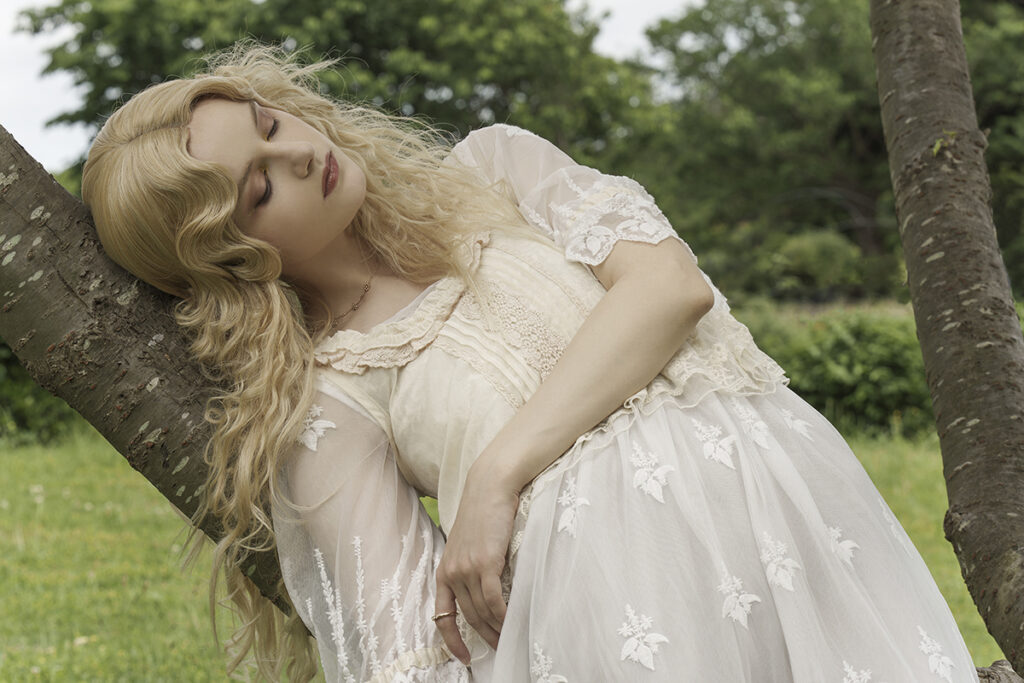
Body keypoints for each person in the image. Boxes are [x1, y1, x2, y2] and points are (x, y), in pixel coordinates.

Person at [81, 44, 980, 683]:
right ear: (233, 258)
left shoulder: (496, 171)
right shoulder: (334, 395)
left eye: (270, 124)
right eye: (259, 184)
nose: (300, 150)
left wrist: (497, 476)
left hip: (784, 514)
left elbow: (668, 291)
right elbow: (408, 651)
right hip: (619, 621)